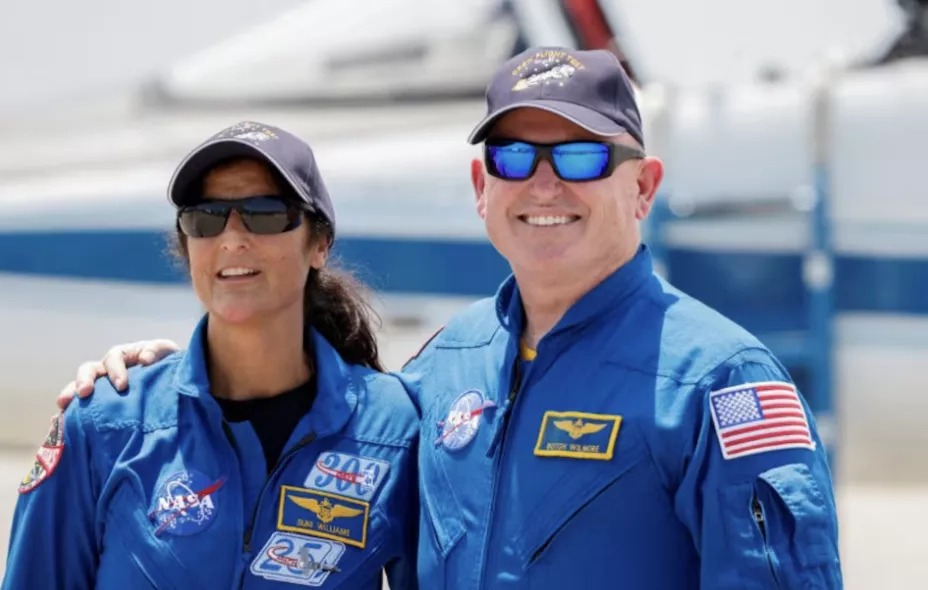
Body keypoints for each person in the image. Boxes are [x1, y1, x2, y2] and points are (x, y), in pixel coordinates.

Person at [55, 47, 843, 588]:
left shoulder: (720, 383)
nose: (542, 185)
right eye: (512, 158)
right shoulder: (441, 372)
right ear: (480, 187)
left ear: (643, 188)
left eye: (579, 157)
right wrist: (164, 386)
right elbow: (320, 435)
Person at [5, 121, 419, 589]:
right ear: (187, 246)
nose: (232, 238)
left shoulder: (395, 430)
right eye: (206, 217)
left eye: (265, 213)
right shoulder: (105, 426)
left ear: (319, 244)